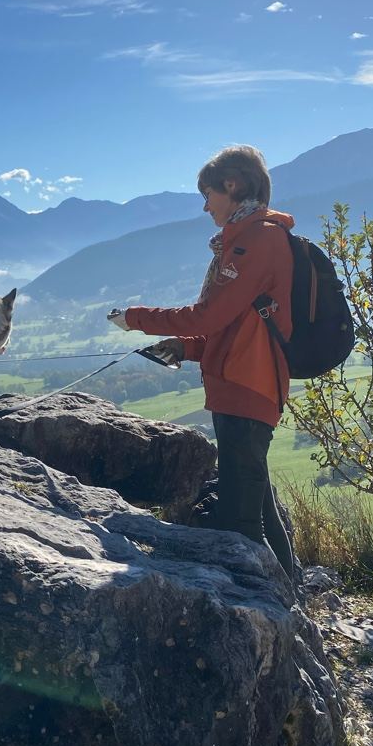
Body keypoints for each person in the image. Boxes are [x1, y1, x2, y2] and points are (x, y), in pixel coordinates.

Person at [107, 145, 294, 576]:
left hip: (249, 389)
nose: (205, 205)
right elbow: (230, 328)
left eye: (207, 193)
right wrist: (184, 347)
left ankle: (274, 611)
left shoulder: (259, 240)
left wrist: (135, 318)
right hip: (240, 387)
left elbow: (210, 316)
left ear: (232, 185)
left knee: (242, 522)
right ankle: (290, 596)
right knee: (259, 509)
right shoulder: (241, 240)